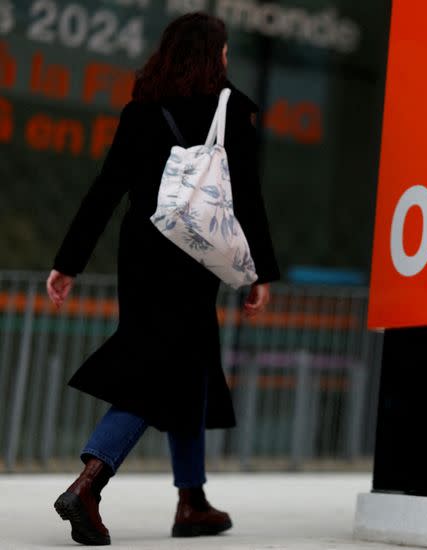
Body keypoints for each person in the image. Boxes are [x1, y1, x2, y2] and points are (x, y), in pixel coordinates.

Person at [45, 12, 280, 546]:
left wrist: (68, 262)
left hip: (141, 253)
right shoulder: (232, 108)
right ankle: (89, 483)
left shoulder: (141, 111)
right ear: (211, 54)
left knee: (187, 369)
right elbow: (247, 197)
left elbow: (105, 189)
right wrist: (259, 272)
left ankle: (192, 501)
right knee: (159, 372)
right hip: (193, 259)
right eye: (222, 50)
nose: (227, 59)